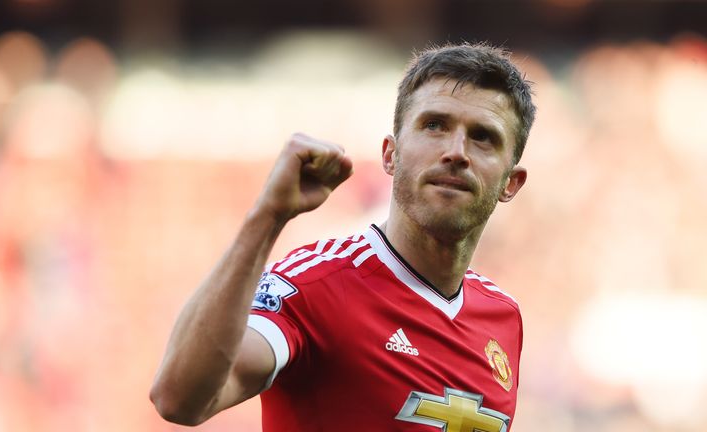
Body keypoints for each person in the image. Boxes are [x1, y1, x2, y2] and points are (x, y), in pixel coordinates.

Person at [150, 41, 536, 431]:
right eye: (434, 125)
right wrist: (267, 216)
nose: (456, 152)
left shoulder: (503, 317)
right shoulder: (314, 286)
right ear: (390, 154)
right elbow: (180, 399)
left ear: (511, 182)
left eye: (483, 136)